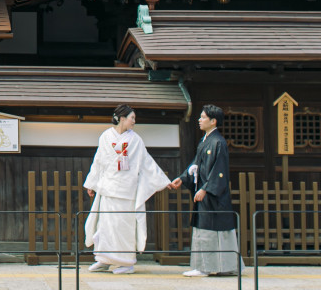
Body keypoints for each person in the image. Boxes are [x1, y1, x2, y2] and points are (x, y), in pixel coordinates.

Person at [83, 104, 171, 275]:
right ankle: (104, 259)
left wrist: (163, 181)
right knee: (106, 226)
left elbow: (146, 162)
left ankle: (126, 262)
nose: (134, 121)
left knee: (123, 227)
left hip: (126, 190)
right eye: (132, 118)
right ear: (122, 118)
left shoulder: (135, 140)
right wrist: (91, 183)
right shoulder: (106, 136)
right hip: (108, 188)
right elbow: (99, 160)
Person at [169, 104, 241, 277]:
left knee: (212, 230)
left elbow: (219, 171)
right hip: (205, 194)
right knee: (205, 229)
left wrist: (206, 189)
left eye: (203, 117)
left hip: (213, 196)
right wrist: (184, 177)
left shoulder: (218, 142)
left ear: (213, 121)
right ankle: (211, 266)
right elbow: (196, 164)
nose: (199, 120)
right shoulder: (205, 141)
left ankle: (208, 267)